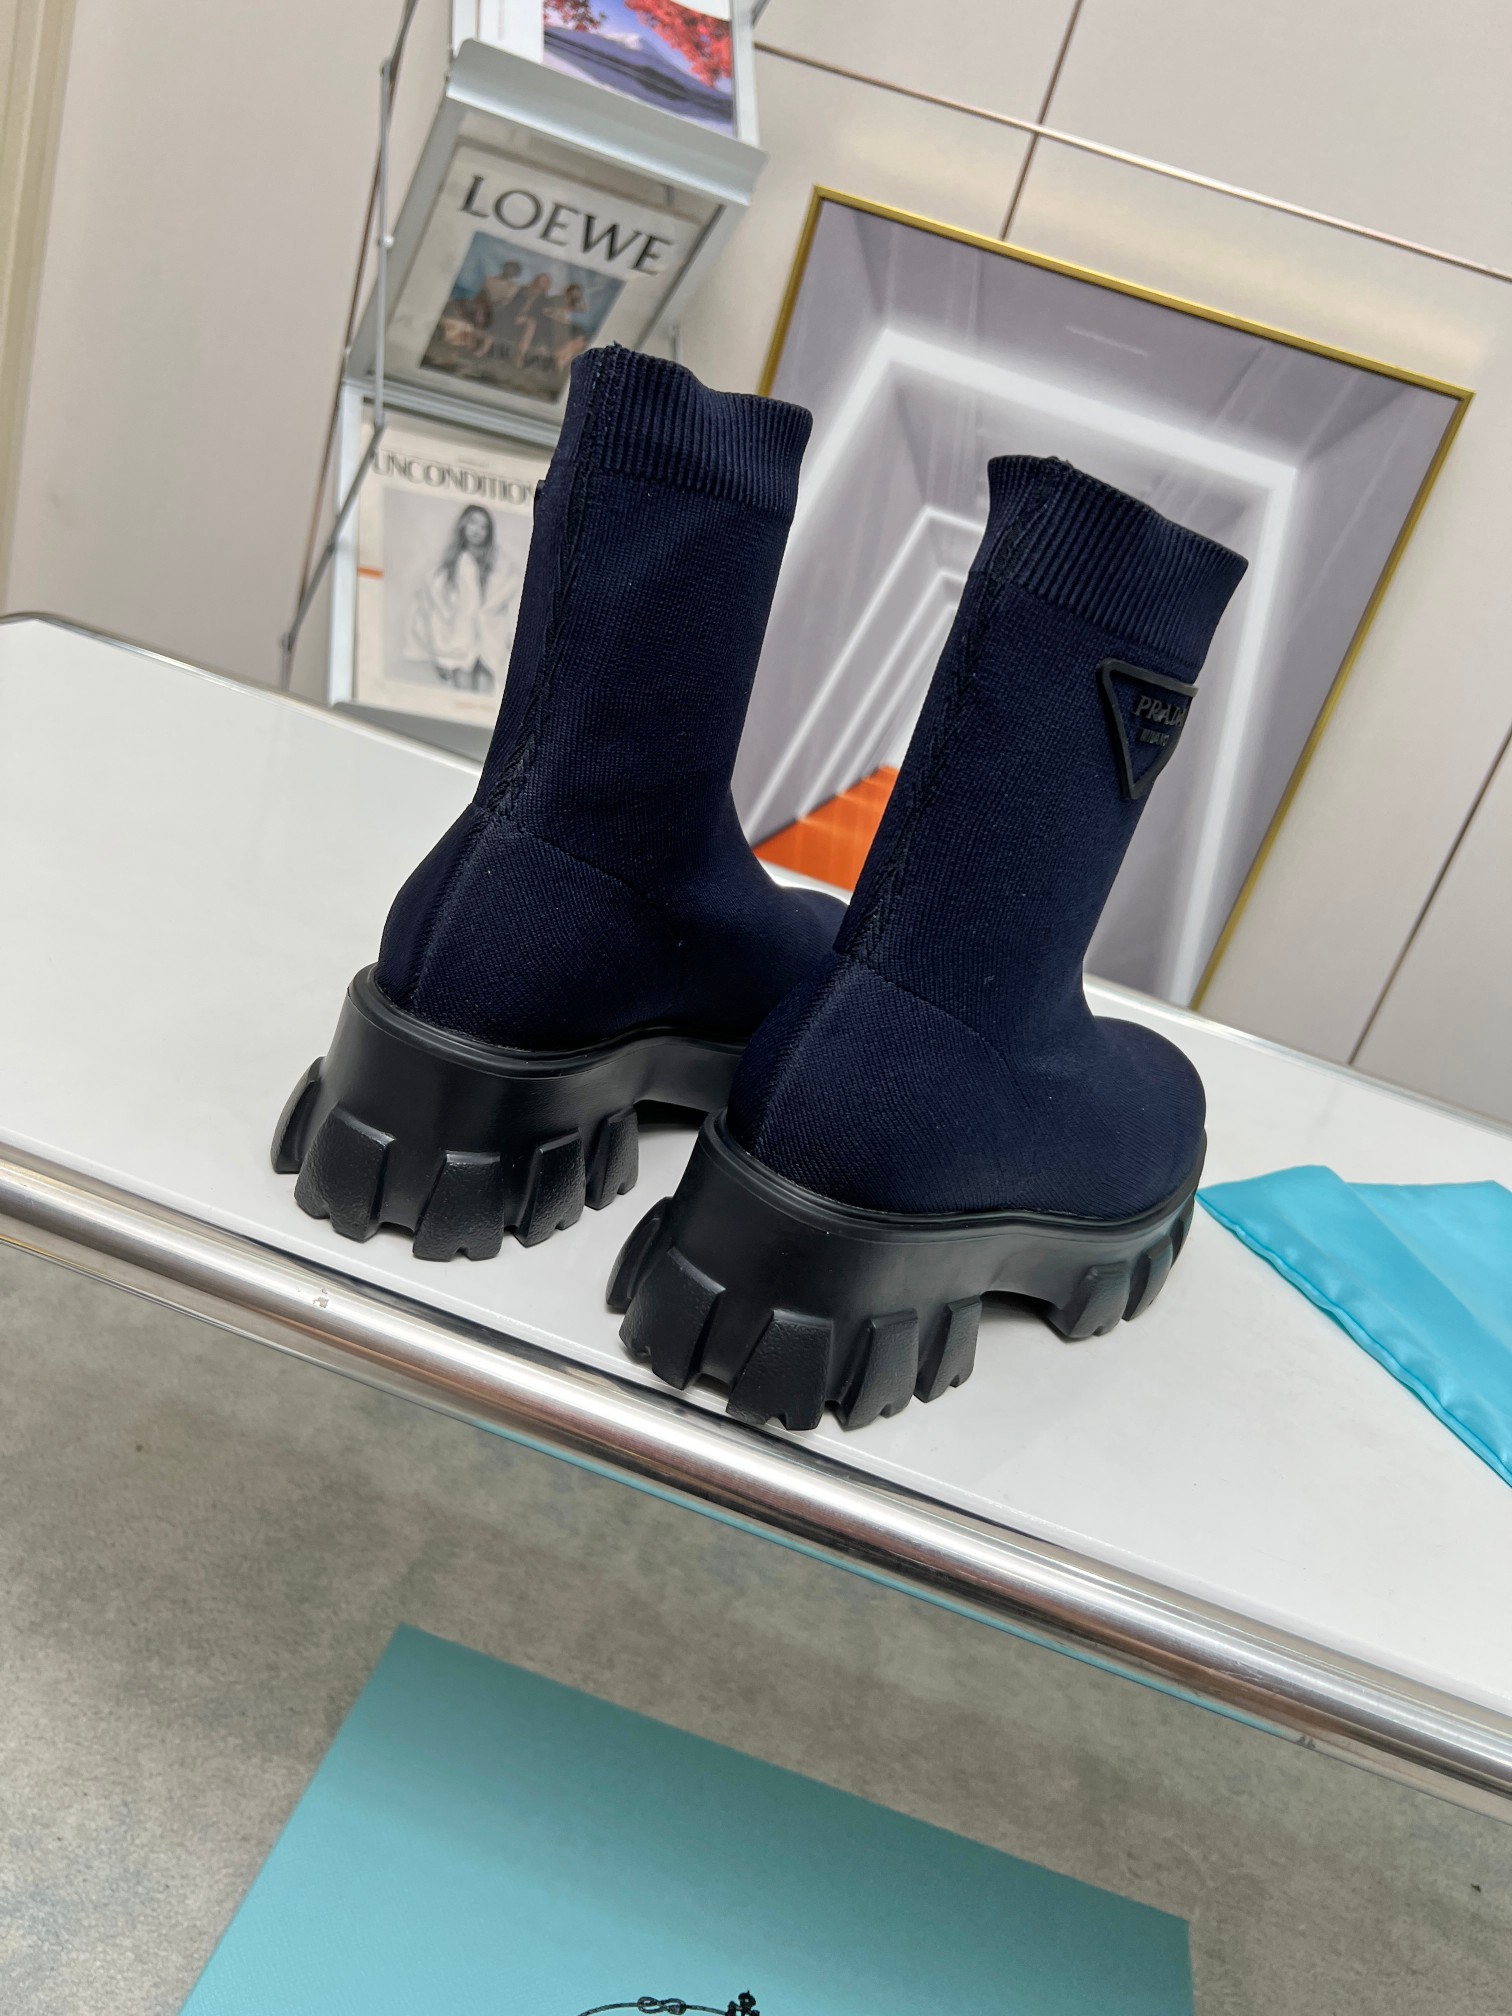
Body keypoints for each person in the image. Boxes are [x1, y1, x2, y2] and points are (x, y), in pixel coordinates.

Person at [406, 504, 523, 693]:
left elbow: (511, 601)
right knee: (464, 696)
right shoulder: (449, 566)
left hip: (490, 643)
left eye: (484, 526)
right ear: (463, 525)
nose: (478, 530)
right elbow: (433, 608)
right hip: (459, 644)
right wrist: (438, 652)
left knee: (487, 699)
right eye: (473, 523)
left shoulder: (501, 566)